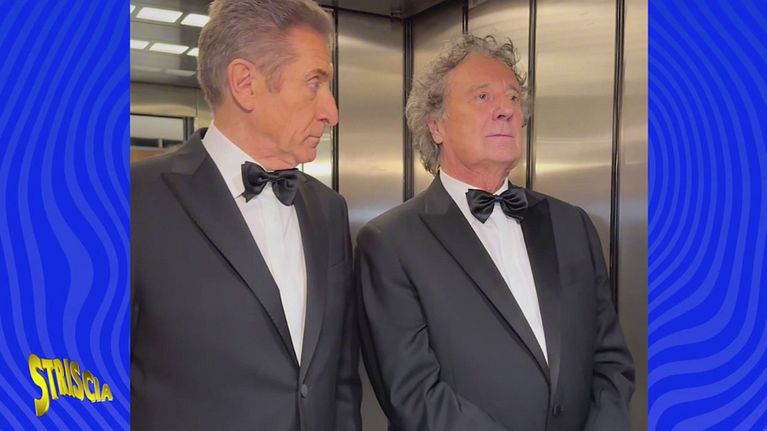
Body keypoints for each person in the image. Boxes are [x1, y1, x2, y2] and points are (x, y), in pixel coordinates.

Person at [356, 35, 634, 431]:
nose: (506, 110)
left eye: (513, 98)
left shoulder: (572, 224)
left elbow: (611, 362)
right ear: (436, 125)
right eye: (483, 96)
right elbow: (414, 395)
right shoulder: (389, 242)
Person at [131, 1, 360, 429]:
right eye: (314, 83)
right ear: (245, 84)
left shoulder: (329, 209)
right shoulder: (132, 200)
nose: (332, 113)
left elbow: (341, 380)